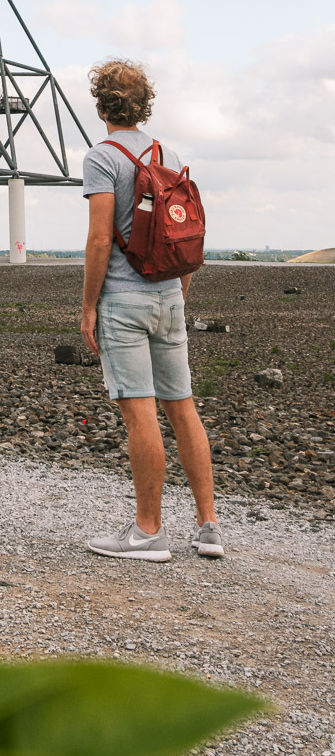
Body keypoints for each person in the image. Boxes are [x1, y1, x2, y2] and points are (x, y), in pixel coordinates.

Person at [81, 58, 222, 561]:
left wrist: (88, 307)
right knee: (182, 407)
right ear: (145, 105)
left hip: (123, 299)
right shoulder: (168, 153)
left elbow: (100, 238)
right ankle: (208, 528)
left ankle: (148, 532)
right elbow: (188, 231)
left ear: (101, 105)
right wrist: (179, 290)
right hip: (168, 295)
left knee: (140, 412)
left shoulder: (102, 157)